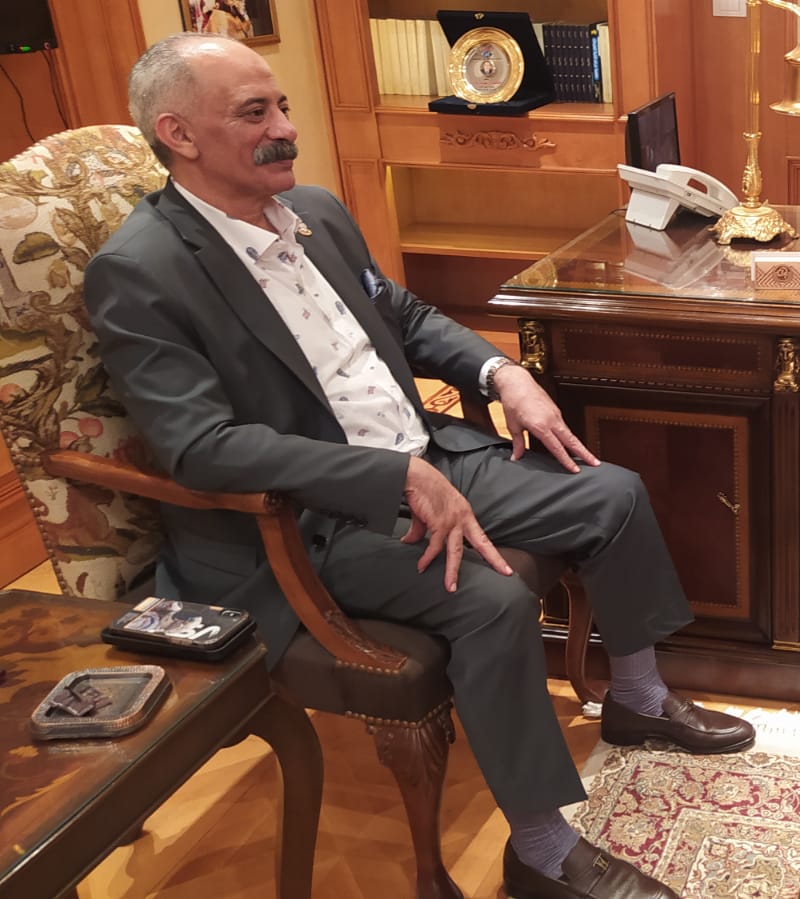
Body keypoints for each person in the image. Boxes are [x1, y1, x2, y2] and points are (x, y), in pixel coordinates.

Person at [89, 33, 754, 899]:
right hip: (307, 520)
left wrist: (502, 373)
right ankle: (541, 849)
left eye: (281, 105)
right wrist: (391, 478)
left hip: (428, 455)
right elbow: (198, 445)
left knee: (611, 494)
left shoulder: (314, 211)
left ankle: (636, 695)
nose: (287, 127)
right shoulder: (141, 270)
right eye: (255, 113)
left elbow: (400, 314)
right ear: (177, 134)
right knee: (492, 598)